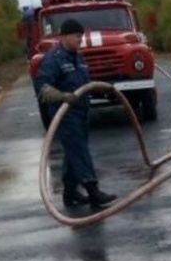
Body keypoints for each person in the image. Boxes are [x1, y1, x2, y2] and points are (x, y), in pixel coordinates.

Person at [33, 18, 116, 209]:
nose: (81, 39)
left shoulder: (78, 57)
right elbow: (42, 87)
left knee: (73, 151)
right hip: (65, 113)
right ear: (65, 36)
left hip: (81, 111)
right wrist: (62, 96)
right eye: (77, 36)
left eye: (81, 36)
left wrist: (103, 90)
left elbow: (84, 83)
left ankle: (70, 193)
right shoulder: (53, 59)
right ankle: (93, 190)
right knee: (78, 149)